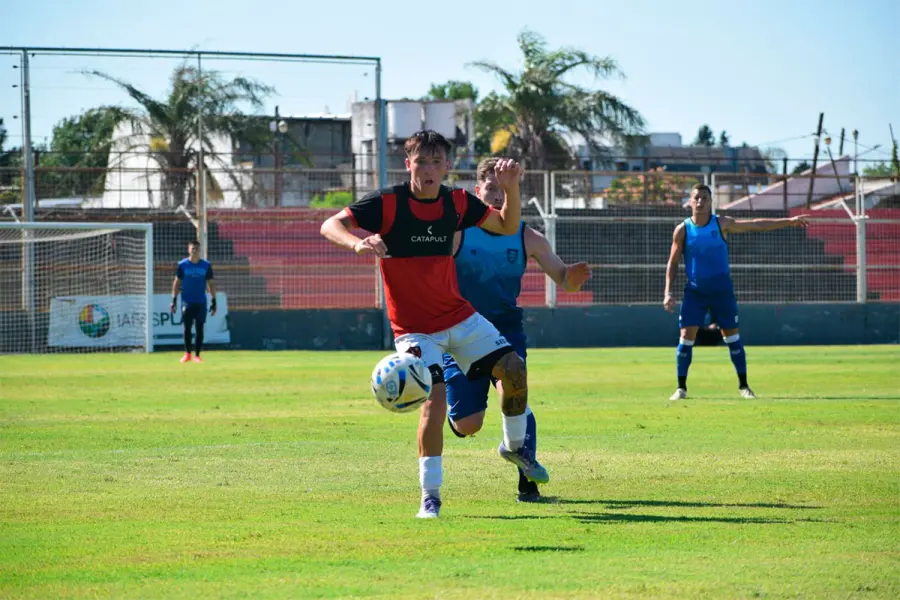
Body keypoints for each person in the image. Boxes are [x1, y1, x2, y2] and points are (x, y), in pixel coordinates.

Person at [320, 130, 547, 519]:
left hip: (459, 316)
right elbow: (331, 224)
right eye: (420, 161)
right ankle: (431, 497)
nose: (428, 169)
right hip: (414, 328)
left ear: (446, 167)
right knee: (434, 403)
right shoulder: (386, 202)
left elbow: (507, 227)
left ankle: (514, 448)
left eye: (436, 161)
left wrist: (511, 189)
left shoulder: (457, 202)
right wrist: (358, 243)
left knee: (514, 370)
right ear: (407, 164)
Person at [443, 157, 591, 503]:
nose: (497, 196)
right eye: (491, 188)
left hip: (506, 331)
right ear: (476, 192)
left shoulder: (529, 237)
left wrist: (573, 277)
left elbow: (563, 278)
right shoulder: (459, 233)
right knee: (468, 424)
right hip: (463, 333)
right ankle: (463, 419)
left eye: (504, 188)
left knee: (515, 395)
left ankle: (528, 482)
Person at [663, 184, 807, 400]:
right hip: (695, 292)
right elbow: (672, 262)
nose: (700, 202)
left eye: (704, 198)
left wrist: (789, 221)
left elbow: (755, 225)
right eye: (696, 198)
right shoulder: (682, 230)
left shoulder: (721, 223)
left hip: (722, 291)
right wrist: (667, 292)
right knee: (686, 335)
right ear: (690, 202)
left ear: (711, 201)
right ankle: (681, 388)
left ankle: (744, 386)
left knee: (731, 336)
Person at [171, 240, 217, 363]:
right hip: (187, 301)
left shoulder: (206, 265)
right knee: (187, 328)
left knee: (199, 328)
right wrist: (174, 300)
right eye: (193, 249)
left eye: (197, 249)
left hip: (201, 302)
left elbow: (211, 284)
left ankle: (197, 355)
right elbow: (177, 283)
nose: (195, 251)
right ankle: (187, 354)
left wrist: (214, 301)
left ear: (199, 250)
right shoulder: (182, 265)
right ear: (189, 250)